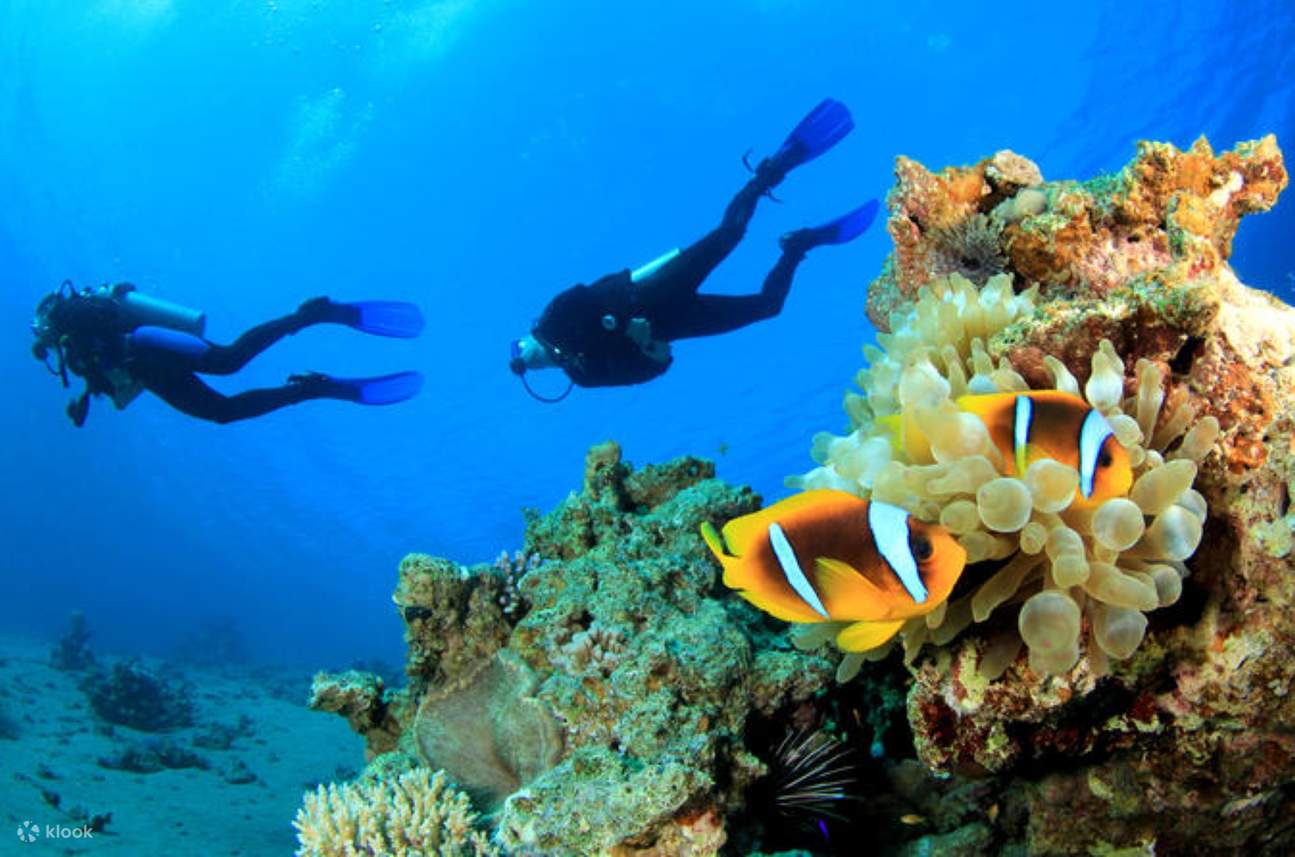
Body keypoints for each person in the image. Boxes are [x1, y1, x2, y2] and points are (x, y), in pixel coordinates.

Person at [508, 98, 879, 401]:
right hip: (674, 323)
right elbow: (648, 372)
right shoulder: (583, 376)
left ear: (527, 341)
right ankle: (798, 246)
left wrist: (620, 322)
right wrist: (649, 347)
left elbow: (584, 296)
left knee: (729, 234)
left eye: (523, 352)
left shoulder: (552, 318)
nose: (531, 360)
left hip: (652, 291)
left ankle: (771, 171)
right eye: (528, 364)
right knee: (768, 307)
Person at [31, 281, 425, 426]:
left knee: (228, 362)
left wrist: (86, 377)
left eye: (42, 333)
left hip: (146, 346)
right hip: (147, 365)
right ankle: (312, 387)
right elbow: (105, 371)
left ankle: (310, 317)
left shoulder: (69, 325)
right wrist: (87, 396)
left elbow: (103, 348)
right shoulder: (73, 343)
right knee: (224, 407)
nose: (44, 341)